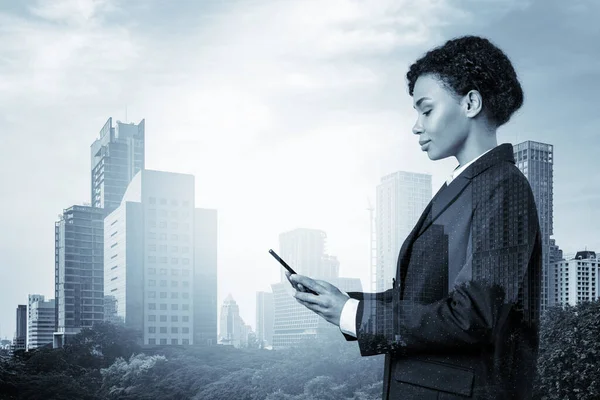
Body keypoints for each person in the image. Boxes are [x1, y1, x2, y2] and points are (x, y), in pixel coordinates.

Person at [287, 35, 542, 399]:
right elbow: (424, 296)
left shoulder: (504, 186)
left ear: (470, 102)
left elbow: (473, 317)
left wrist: (355, 316)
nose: (416, 126)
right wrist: (345, 302)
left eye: (426, 110)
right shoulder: (465, 187)